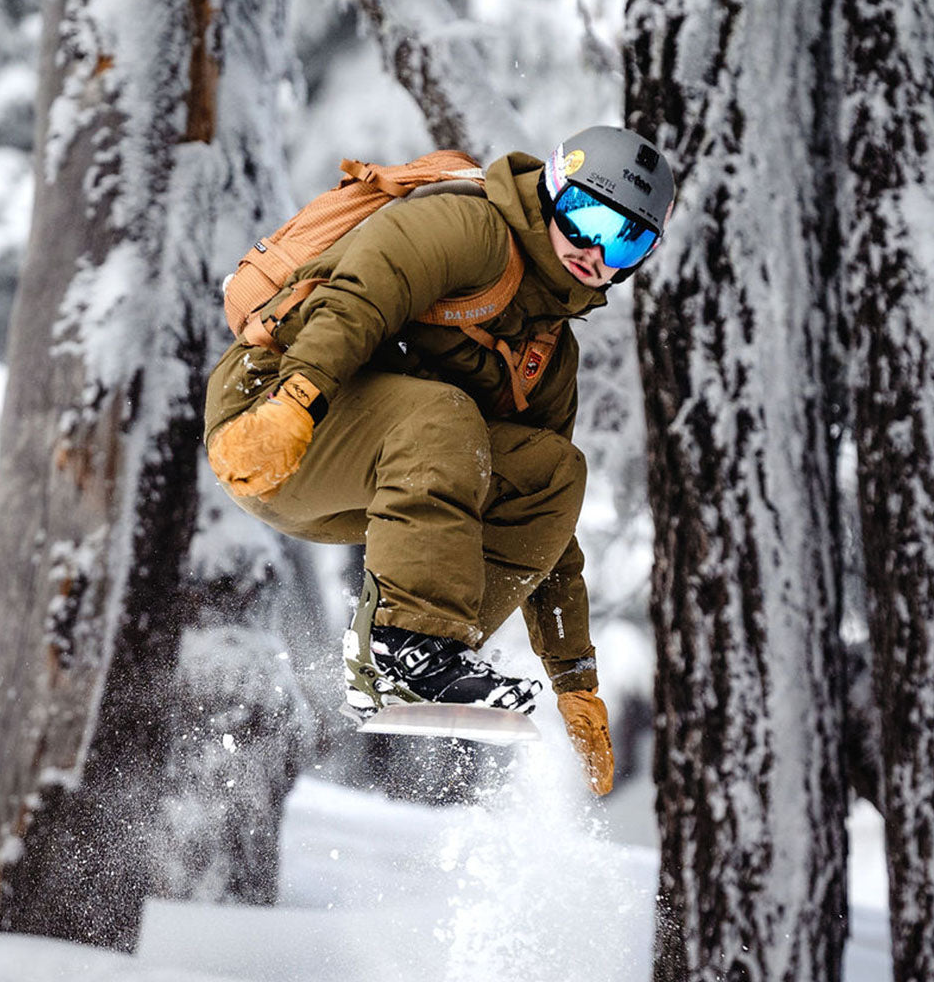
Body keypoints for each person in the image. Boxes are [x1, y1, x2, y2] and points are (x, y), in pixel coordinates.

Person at [204, 125, 675, 795]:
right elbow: (359, 295)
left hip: (369, 480)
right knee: (443, 416)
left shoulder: (548, 353)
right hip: (270, 418)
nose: (597, 251)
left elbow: (549, 524)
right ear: (553, 190)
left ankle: (427, 654)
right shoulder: (470, 227)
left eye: (628, 240)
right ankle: (403, 650)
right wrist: (293, 403)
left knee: (552, 472)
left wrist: (575, 680)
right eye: (589, 217)